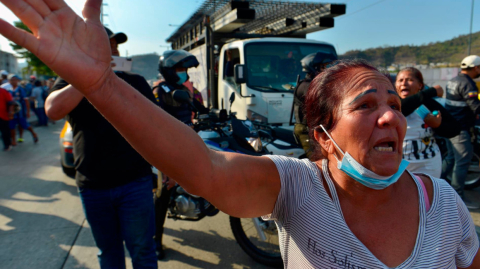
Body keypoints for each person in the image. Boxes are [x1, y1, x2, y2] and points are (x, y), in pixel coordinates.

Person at [2, 2, 479, 268]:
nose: (390, 117)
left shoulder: (444, 203)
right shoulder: (299, 187)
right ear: (323, 136)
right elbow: (203, 166)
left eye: (394, 106)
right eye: (365, 104)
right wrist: (102, 85)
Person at [45, 27, 158, 269]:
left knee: (143, 250)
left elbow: (157, 127)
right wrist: (87, 77)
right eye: (107, 45)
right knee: (108, 252)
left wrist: (168, 166)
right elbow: (53, 110)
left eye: (115, 45)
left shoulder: (135, 81)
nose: (114, 50)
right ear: (88, 50)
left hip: (135, 182)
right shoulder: (70, 81)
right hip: (93, 186)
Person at [152, 49, 206, 260]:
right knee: (163, 193)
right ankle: (156, 239)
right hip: (165, 148)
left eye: (185, 69)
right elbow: (155, 123)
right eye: (180, 69)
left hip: (185, 142)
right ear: (169, 70)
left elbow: (198, 108)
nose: (184, 73)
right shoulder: (159, 91)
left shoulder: (183, 90)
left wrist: (214, 114)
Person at [395, 67, 460, 177]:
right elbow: (403, 108)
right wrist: (431, 91)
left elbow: (455, 129)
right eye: (400, 80)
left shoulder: (429, 104)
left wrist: (438, 126)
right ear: (395, 85)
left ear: (420, 85)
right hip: (398, 165)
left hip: (429, 166)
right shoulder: (391, 104)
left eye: (409, 80)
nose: (404, 83)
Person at [443, 55, 480, 209]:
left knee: (450, 159)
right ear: (476, 68)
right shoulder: (468, 84)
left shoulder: (453, 80)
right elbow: (476, 107)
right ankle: (458, 201)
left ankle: (436, 188)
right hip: (461, 129)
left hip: (450, 127)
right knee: (462, 163)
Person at [293, 51, 337, 158]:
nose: (328, 70)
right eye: (324, 66)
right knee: (317, 161)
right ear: (314, 68)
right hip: (306, 130)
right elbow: (324, 105)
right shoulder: (308, 86)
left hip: (315, 129)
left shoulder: (315, 84)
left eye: (329, 66)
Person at [1, 74, 38, 145]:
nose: (13, 81)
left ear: (17, 81)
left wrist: (27, 111)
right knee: (12, 126)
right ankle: (14, 140)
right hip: (12, 112)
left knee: (24, 125)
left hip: (20, 112)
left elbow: (26, 101)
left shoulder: (21, 90)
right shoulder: (8, 90)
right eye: (11, 80)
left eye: (14, 80)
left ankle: (33, 134)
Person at [0, 86, 13, 151]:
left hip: (3, 115)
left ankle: (7, 145)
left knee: (5, 131)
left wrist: (10, 112)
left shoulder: (3, 91)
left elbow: (10, 102)